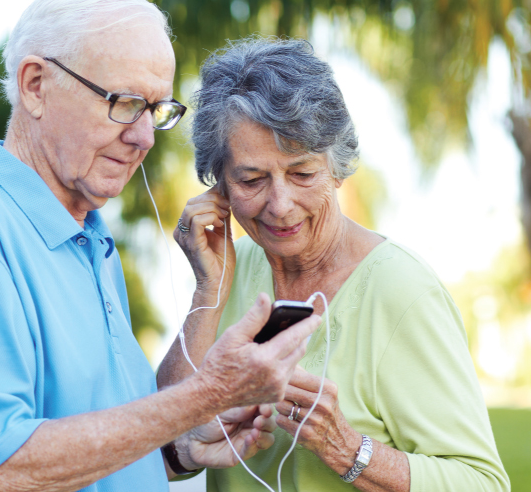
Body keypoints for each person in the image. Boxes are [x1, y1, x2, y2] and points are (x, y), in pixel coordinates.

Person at [0, 3, 321, 492]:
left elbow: (83, 456)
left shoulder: (89, 240)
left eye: (155, 110)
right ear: (35, 85)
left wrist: (177, 454)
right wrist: (209, 393)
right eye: (125, 102)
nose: (143, 138)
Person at [157, 37, 511, 491]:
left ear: (338, 167)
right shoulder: (228, 267)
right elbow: (159, 436)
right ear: (219, 186)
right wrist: (208, 292)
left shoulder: (401, 290)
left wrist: (347, 449)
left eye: (303, 173)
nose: (280, 205)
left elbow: (483, 483)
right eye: (251, 179)